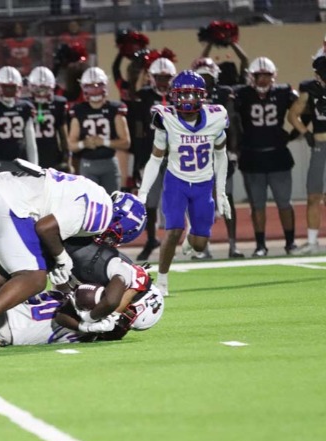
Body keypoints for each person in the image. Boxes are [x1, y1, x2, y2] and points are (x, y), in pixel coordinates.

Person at [0, 166, 147, 353]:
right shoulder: (101, 212)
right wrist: (61, 258)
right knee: (34, 279)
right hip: (7, 202)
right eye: (116, 235)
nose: (108, 240)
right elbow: (46, 227)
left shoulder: (92, 193)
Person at [137, 70, 230, 296]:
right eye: (183, 95)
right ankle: (162, 281)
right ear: (174, 96)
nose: (187, 100)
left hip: (203, 184)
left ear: (202, 96)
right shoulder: (165, 118)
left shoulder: (216, 118)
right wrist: (143, 192)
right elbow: (156, 158)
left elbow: (221, 155)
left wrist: (221, 192)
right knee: (173, 229)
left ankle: (191, 237)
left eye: (192, 95)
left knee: (200, 244)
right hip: (176, 182)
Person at [234, 57, 297, 257]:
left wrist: (295, 132)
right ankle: (260, 245)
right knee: (257, 205)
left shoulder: (284, 92)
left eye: (266, 75)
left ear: (273, 76)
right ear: (251, 77)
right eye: (258, 75)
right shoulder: (241, 93)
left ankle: (290, 242)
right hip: (252, 156)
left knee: (284, 203)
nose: (262, 79)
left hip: (277, 156)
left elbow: (304, 109)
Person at [191, 57, 243, 259]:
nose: (205, 80)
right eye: (201, 77)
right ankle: (203, 247)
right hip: (197, 153)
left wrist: (233, 151)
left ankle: (233, 244)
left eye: (208, 77)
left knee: (226, 198)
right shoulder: (188, 93)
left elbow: (232, 121)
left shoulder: (223, 93)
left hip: (219, 152)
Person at [133, 57, 176, 261]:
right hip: (153, 156)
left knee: (178, 200)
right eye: (159, 78)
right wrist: (138, 161)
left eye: (166, 78)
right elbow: (139, 129)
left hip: (175, 156)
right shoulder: (144, 96)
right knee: (150, 201)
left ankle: (180, 239)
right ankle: (151, 239)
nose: (162, 82)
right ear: (152, 78)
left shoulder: (179, 96)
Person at [68, 66, 131, 193]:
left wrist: (104, 142)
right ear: (83, 88)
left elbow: (126, 142)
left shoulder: (115, 109)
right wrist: (84, 143)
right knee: (91, 202)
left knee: (112, 201)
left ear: (105, 86)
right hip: (88, 164)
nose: (95, 90)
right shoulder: (78, 111)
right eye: (90, 87)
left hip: (109, 163)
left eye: (98, 86)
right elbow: (71, 145)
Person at [288, 55, 326, 254]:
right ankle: (312, 242)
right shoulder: (310, 90)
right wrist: (306, 133)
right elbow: (292, 115)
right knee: (313, 196)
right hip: (320, 146)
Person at [0, 66, 38, 172]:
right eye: (6, 87)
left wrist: (34, 166)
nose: (9, 90)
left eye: (12, 87)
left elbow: (30, 141)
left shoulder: (26, 107)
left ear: (18, 87)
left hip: (21, 162)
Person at [26, 66, 69, 170]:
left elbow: (63, 134)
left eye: (45, 89)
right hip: (29, 153)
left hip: (52, 153)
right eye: (38, 89)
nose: (41, 93)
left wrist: (66, 156)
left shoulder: (59, 103)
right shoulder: (25, 105)